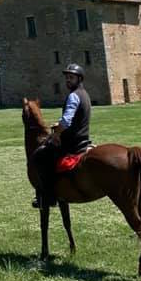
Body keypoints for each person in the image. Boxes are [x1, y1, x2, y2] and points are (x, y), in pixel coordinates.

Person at [31, 63, 92, 208]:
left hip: (72, 142)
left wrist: (56, 135)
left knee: (40, 156)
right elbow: (73, 118)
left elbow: (66, 120)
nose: (68, 80)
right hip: (83, 139)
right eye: (67, 78)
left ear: (79, 79)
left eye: (71, 77)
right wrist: (58, 124)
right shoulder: (85, 94)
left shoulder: (73, 96)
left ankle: (48, 197)